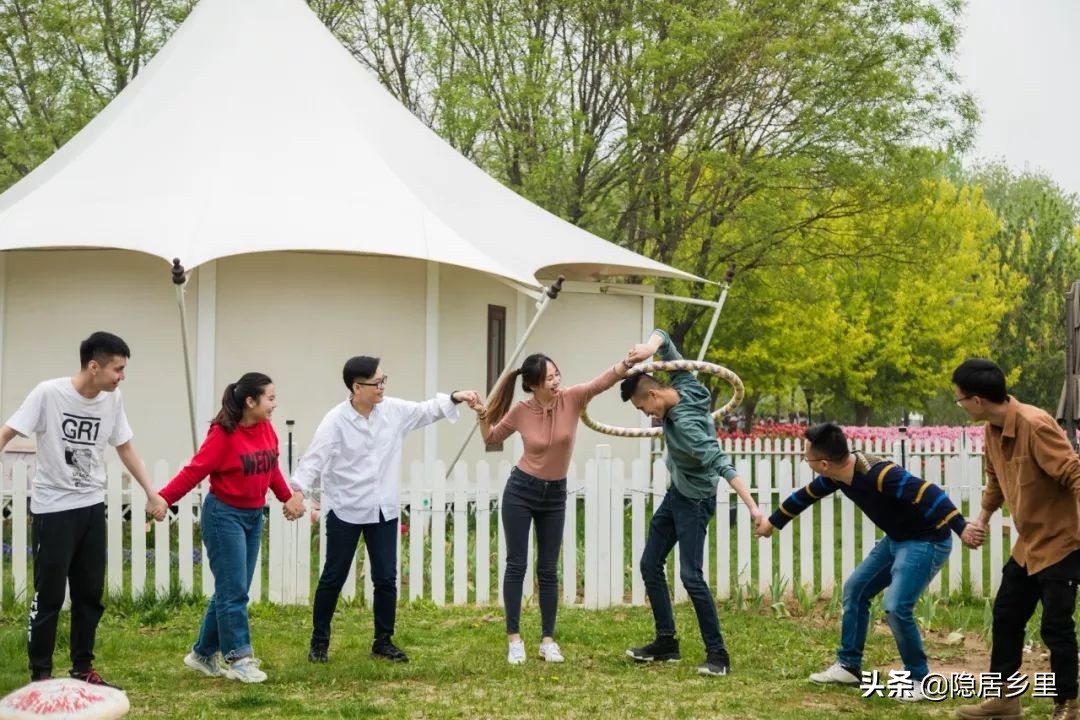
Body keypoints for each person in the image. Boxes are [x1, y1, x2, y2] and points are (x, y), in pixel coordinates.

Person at [756, 422, 983, 702]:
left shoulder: (880, 474)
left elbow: (929, 493)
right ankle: (849, 666)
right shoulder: (837, 476)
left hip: (927, 541)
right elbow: (805, 496)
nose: (807, 462)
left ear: (824, 463)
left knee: (896, 607)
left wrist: (961, 527)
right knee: (856, 590)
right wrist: (771, 524)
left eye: (807, 458)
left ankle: (920, 679)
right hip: (896, 540)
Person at [291, 356, 481, 664]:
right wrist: (297, 491)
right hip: (346, 509)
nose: (382, 387)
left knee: (386, 578)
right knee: (333, 577)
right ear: (357, 387)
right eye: (376, 382)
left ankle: (383, 641)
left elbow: (424, 411)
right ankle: (319, 641)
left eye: (384, 380)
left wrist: (456, 396)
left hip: (384, 510)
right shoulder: (335, 421)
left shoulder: (392, 411)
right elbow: (314, 459)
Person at [0, 332, 159, 687]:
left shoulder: (112, 399)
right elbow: (8, 432)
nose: (122, 377)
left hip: (90, 507)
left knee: (89, 594)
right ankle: (40, 673)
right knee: (50, 596)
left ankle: (82, 668)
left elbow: (125, 446)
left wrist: (151, 491)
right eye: (118, 369)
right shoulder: (49, 393)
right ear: (93, 366)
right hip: (53, 509)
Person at [619, 329, 763, 676]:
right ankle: (666, 643)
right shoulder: (687, 386)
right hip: (676, 494)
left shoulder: (688, 430)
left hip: (695, 501)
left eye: (642, 408)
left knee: (691, 576)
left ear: (653, 394)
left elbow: (724, 466)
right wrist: (649, 349)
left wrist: (754, 509)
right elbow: (665, 338)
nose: (645, 415)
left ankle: (718, 655)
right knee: (649, 563)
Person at [147, 373, 304, 684]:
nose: (275, 404)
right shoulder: (223, 435)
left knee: (233, 589)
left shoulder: (266, 428)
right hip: (224, 516)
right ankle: (239, 658)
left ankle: (203, 654)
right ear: (250, 401)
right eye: (270, 398)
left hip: (252, 516)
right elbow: (195, 471)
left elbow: (269, 467)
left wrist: (287, 498)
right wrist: (164, 499)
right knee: (233, 591)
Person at [479, 351, 634, 665]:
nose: (556, 381)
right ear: (534, 384)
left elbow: (601, 382)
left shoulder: (572, 399)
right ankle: (514, 640)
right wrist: (483, 416)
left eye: (556, 374)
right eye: (549, 378)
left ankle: (548, 640)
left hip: (555, 494)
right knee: (517, 564)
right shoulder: (521, 411)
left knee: (548, 569)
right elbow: (492, 437)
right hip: (521, 491)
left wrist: (626, 364)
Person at [951, 359, 1080, 720]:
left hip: (1062, 541)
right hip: (1028, 545)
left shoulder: (1035, 425)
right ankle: (1004, 699)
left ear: (977, 400)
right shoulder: (992, 430)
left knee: (1055, 625)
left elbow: (1073, 472)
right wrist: (982, 518)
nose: (959, 405)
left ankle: (1068, 704)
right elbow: (996, 480)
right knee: (1006, 615)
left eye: (959, 399)